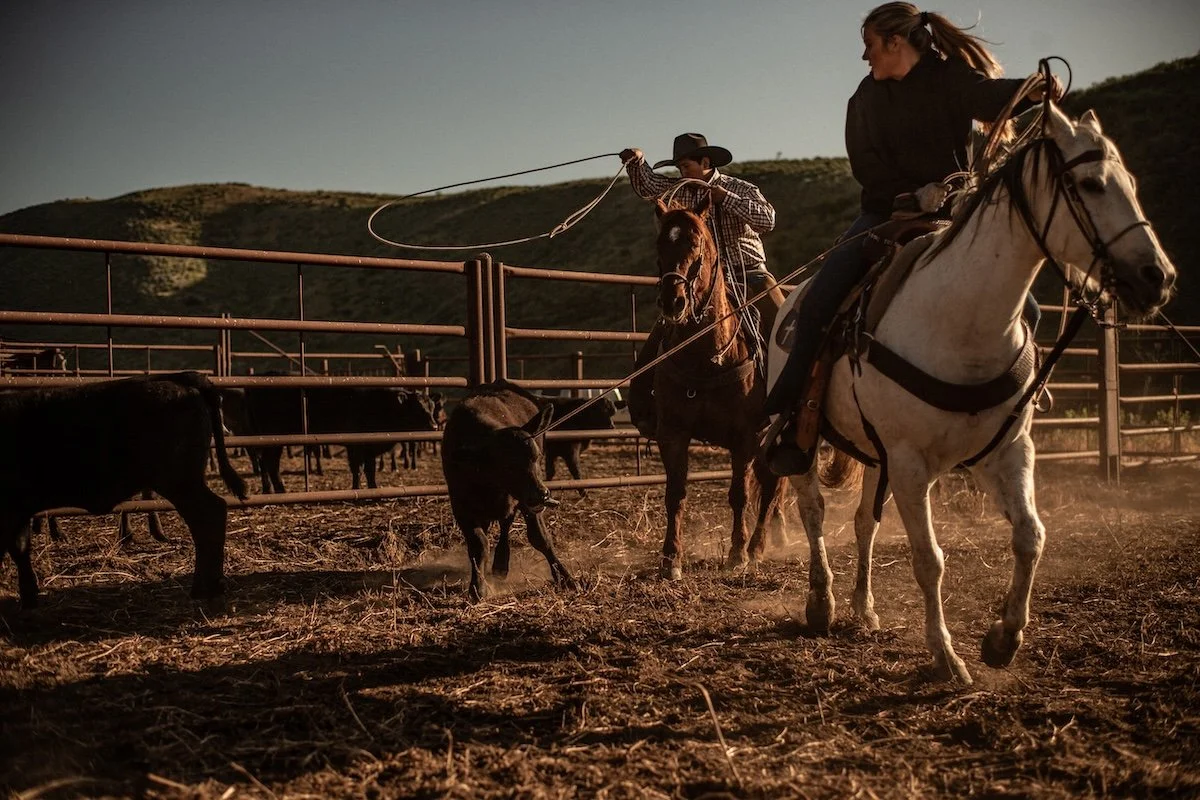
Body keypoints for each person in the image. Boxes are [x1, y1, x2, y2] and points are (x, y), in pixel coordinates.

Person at [762, 2, 1063, 476]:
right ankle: (790, 416)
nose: (866, 58)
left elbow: (989, 97)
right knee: (820, 300)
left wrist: (1032, 91)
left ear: (895, 42)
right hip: (884, 216)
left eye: (869, 46)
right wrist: (910, 195)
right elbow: (866, 167)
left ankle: (1017, 400)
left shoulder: (950, 78)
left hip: (954, 219)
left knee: (1027, 307)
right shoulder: (865, 98)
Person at [620, 133, 786, 437]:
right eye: (679, 167)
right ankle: (645, 408)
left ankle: (793, 407)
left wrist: (727, 199)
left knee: (786, 329)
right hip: (704, 283)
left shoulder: (740, 188)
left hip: (749, 273)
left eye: (686, 165)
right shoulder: (678, 191)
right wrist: (636, 162)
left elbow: (767, 220)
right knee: (658, 338)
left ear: (705, 162)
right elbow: (648, 187)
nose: (681, 172)